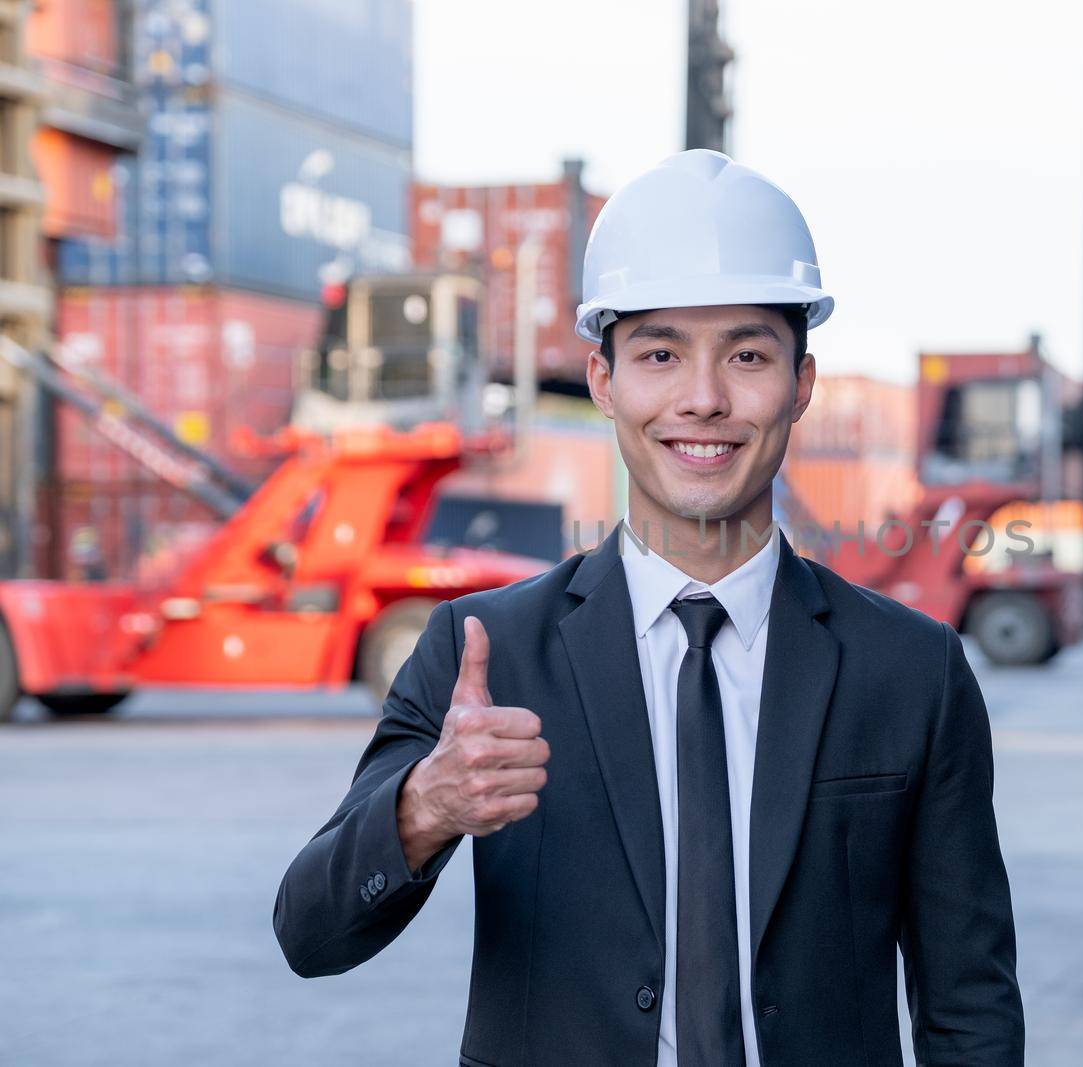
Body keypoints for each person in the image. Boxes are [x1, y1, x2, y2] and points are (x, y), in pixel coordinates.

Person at [273, 148, 1024, 1066]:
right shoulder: (487, 653)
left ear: (801, 383)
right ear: (603, 381)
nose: (702, 400)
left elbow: (970, 1003)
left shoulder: (909, 671)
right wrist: (423, 806)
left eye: (746, 355)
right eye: (660, 354)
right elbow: (310, 934)